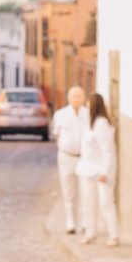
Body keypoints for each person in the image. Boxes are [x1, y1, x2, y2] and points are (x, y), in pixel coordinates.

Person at [76, 92, 120, 247]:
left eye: (88, 104)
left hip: (101, 170)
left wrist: (105, 171)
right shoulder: (90, 123)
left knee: (106, 202)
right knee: (88, 202)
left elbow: (107, 150)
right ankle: (90, 233)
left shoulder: (101, 124)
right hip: (87, 169)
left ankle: (114, 235)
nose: (86, 107)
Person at [50, 85, 91, 233]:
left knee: (85, 190)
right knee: (68, 191)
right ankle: (70, 222)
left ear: (84, 98)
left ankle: (85, 222)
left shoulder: (88, 114)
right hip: (66, 157)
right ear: (69, 98)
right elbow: (57, 133)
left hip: (84, 158)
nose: (76, 99)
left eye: (79, 96)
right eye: (74, 96)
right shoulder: (60, 115)